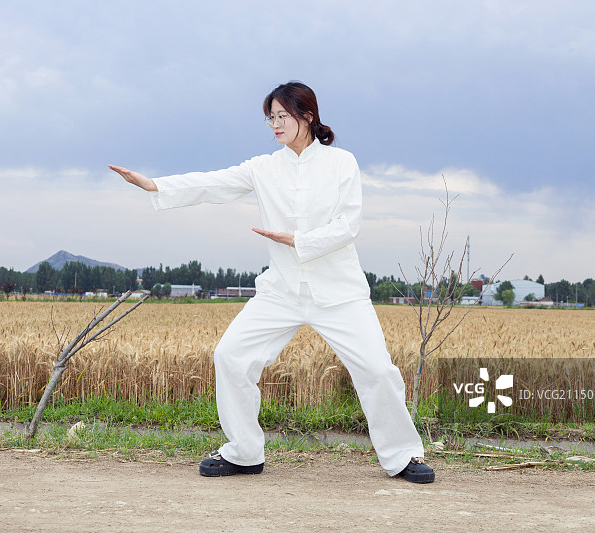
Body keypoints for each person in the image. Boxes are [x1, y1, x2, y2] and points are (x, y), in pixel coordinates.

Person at [110, 81, 435, 483]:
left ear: (308, 117)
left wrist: (298, 240)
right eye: (271, 117)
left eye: (283, 116)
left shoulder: (341, 163)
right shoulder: (263, 168)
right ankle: (244, 452)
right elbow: (213, 183)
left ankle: (404, 456)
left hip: (339, 292)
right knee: (230, 356)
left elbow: (349, 225)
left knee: (377, 371)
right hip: (281, 290)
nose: (275, 124)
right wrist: (155, 185)